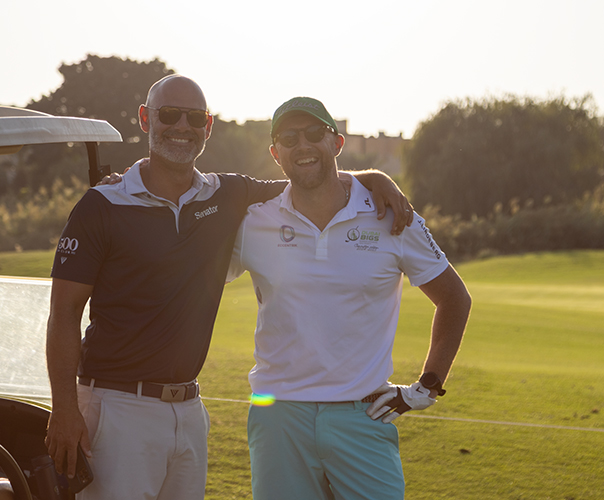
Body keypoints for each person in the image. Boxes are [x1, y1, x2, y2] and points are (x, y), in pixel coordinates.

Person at [44, 76, 413, 500]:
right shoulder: (102, 204)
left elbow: (311, 177)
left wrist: (374, 177)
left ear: (208, 126)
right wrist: (64, 408)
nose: (181, 126)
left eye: (194, 118)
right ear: (146, 119)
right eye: (169, 115)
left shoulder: (227, 194)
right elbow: (64, 315)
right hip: (116, 407)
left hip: (188, 411)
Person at [227, 97, 472, 500]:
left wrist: (427, 386)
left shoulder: (392, 214)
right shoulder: (254, 221)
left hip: (363, 415)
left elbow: (454, 298)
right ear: (275, 153)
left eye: (314, 133)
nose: (302, 145)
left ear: (337, 142)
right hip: (278, 416)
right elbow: (190, 274)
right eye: (289, 138)